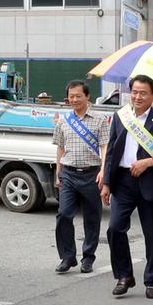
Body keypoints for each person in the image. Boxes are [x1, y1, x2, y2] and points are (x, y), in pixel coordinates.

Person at [101, 75, 153, 299]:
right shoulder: (120, 117)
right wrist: (107, 182)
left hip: (151, 182)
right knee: (115, 229)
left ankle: (151, 280)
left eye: (143, 93)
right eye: (134, 92)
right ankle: (124, 275)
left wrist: (150, 162)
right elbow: (111, 152)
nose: (138, 96)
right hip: (123, 181)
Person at [53, 80, 111, 275]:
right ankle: (68, 257)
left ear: (88, 96)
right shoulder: (63, 121)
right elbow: (60, 148)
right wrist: (57, 173)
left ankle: (88, 257)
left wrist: (104, 171)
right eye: (71, 96)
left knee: (92, 218)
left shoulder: (100, 120)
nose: (74, 99)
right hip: (68, 174)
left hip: (92, 174)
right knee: (64, 215)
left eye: (78, 96)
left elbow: (105, 147)